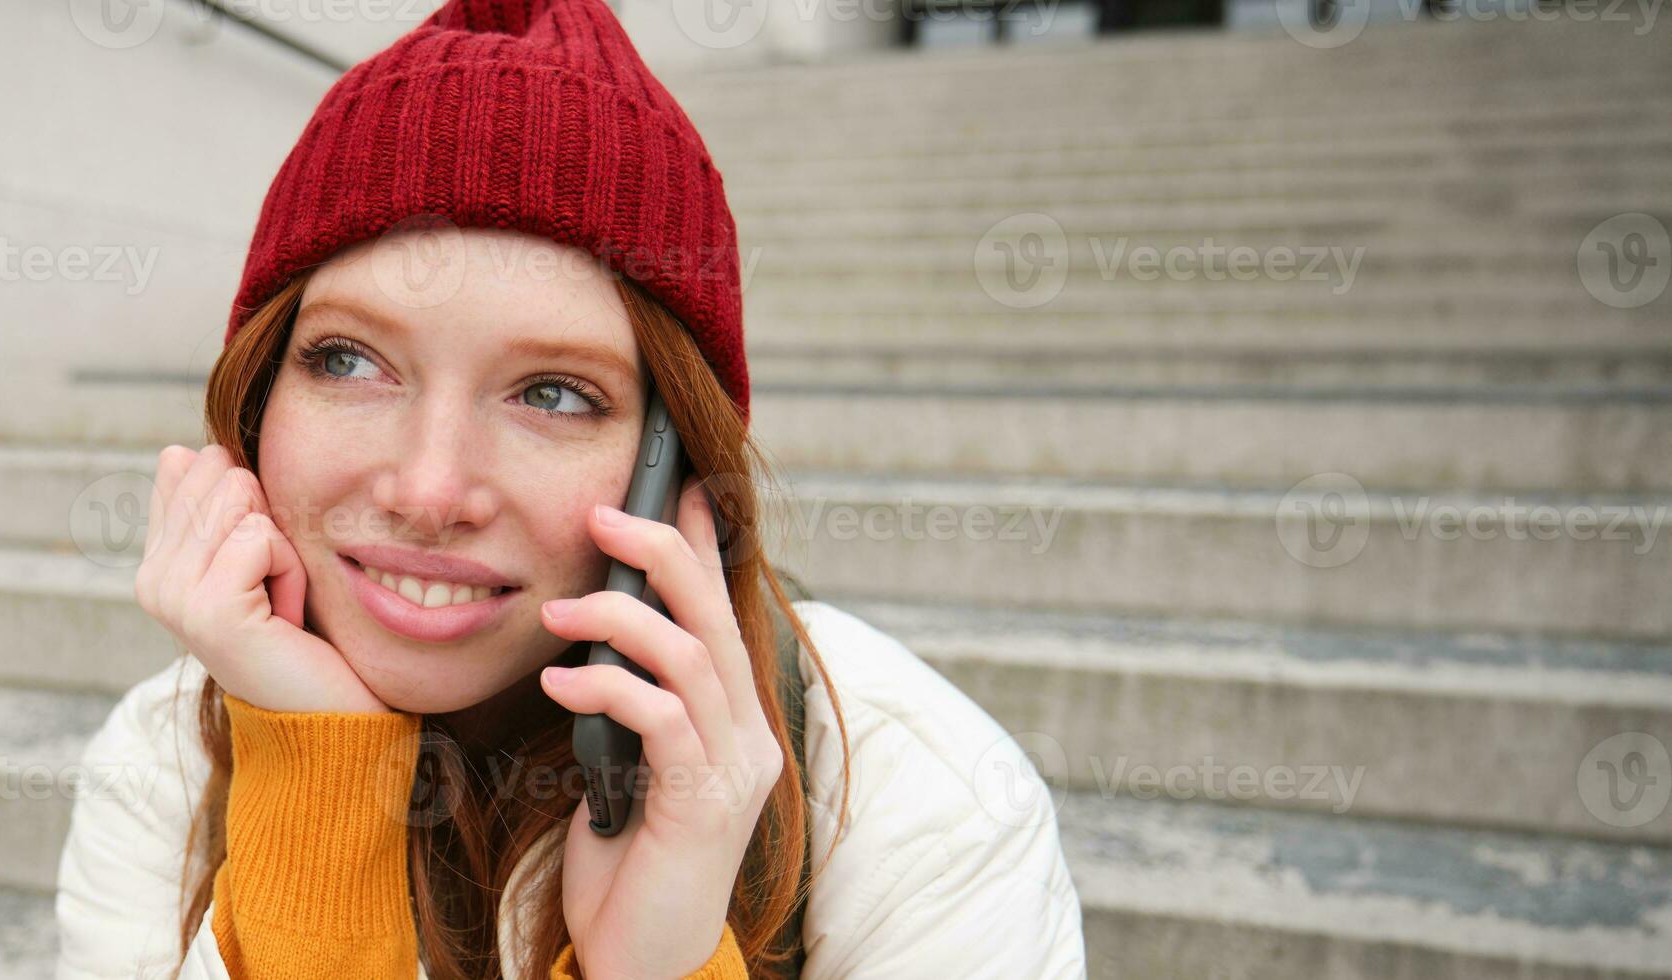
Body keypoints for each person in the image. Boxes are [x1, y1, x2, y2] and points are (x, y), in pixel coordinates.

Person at [55, 1, 1086, 977]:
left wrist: (659, 956)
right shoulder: (161, 764)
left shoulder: (930, 798)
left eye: (550, 391)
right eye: (347, 359)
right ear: (255, 397)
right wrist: (318, 788)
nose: (427, 487)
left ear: (676, 461)